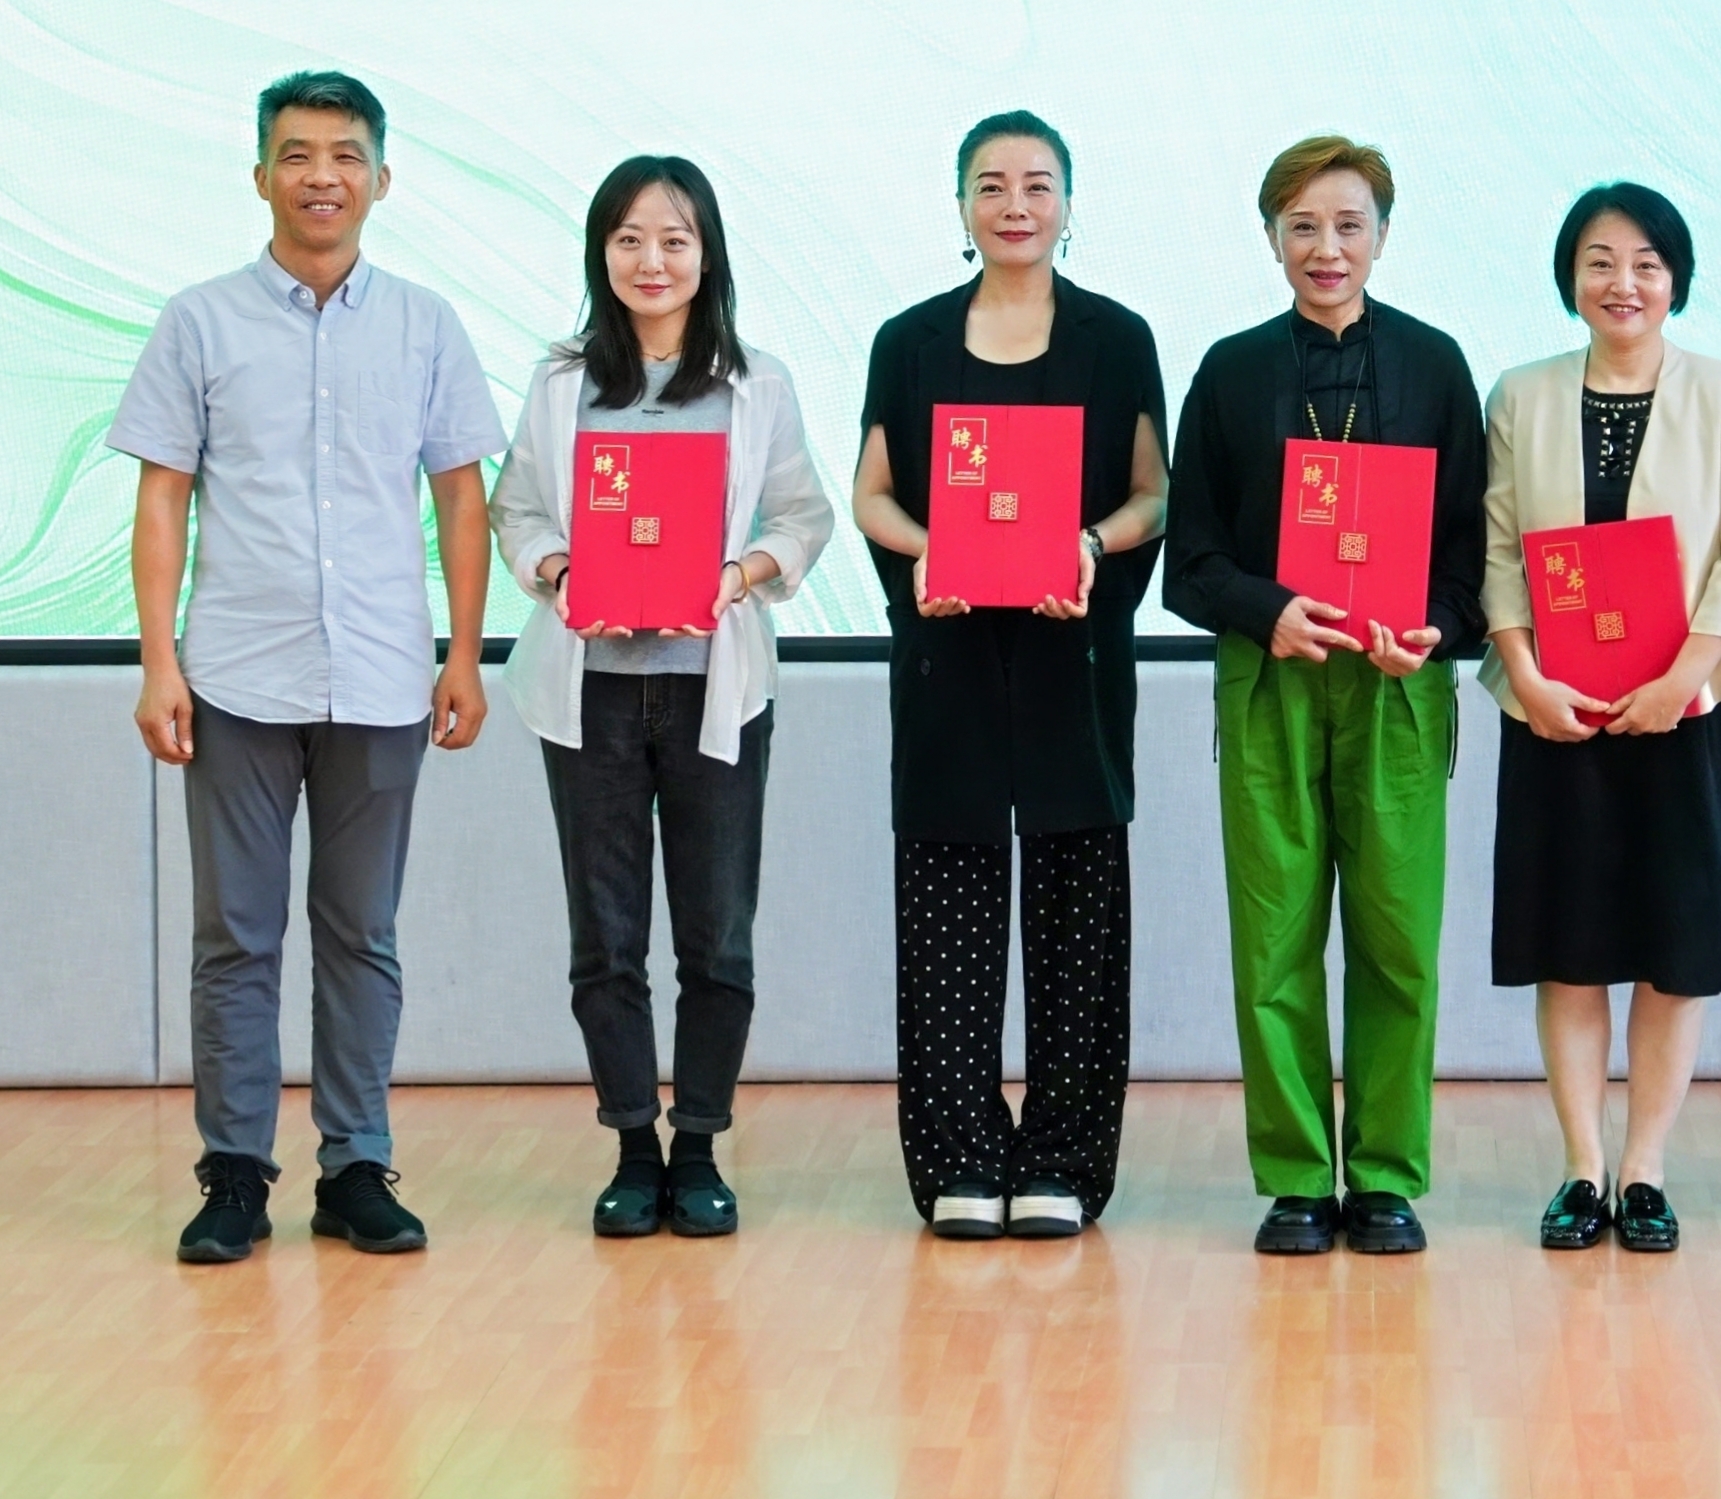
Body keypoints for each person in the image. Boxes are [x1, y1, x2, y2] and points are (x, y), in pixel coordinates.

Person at [109, 70, 505, 1265]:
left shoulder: (426, 323)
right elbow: (163, 496)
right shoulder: (199, 320)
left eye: (344, 154)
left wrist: (466, 653)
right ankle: (234, 1171)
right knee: (235, 935)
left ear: (382, 177)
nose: (320, 175)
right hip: (236, 673)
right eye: (296, 153)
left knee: (361, 931)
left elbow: (461, 497)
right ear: (260, 175)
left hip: (383, 673)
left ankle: (356, 1163)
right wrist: (159, 661)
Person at [490, 157, 835, 1241]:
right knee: (606, 936)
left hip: (712, 689)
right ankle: (634, 1146)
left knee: (716, 933)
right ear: (602, 252)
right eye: (630, 238)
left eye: (675, 240)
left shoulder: (756, 381)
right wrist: (559, 571)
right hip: (589, 694)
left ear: (707, 256)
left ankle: (700, 1147)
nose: (652, 260)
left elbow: (803, 516)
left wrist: (739, 575)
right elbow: (518, 512)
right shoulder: (559, 383)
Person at [1164, 136, 1486, 1258]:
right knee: (1275, 937)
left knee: (1399, 938)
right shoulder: (1230, 370)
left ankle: (1387, 1174)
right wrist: (1268, 610)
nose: (1326, 247)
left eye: (1349, 224)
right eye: (1302, 225)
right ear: (1271, 239)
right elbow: (1189, 560)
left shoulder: (1436, 365)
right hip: (1274, 676)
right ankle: (1298, 1175)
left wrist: (1436, 624)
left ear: (1383, 235)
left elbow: (1472, 546)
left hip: (1398, 681)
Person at [850, 111, 1169, 1241]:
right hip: (948, 655)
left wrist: (1088, 543)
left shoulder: (1117, 338)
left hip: (1071, 653)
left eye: (1038, 183)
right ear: (961, 206)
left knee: (1080, 916)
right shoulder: (910, 340)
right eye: (990, 184)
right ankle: (960, 1158)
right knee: (947, 914)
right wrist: (926, 550)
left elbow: (1153, 494)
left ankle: (1066, 1161)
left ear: (1069, 205)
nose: (1015, 203)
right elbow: (872, 494)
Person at [1480, 184, 1721, 1253]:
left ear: (1676, 279)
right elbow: (1498, 547)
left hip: (1683, 707)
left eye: (1647, 262)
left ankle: (1644, 1167)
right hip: (1555, 710)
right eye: (1600, 260)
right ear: (1571, 276)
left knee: (1672, 941)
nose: (1624, 282)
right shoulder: (1522, 393)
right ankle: (1581, 1166)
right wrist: (1526, 674)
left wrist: (1680, 679)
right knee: (1569, 943)